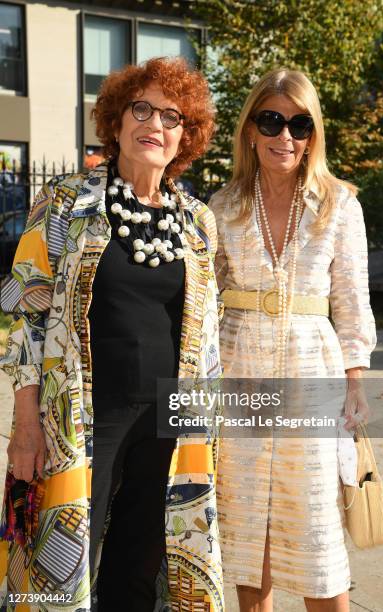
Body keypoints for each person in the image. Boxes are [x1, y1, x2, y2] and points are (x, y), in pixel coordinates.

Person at [0, 57, 224, 611]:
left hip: (171, 423)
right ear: (117, 121)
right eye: (141, 108)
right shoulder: (66, 201)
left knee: (141, 566)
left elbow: (208, 338)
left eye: (172, 116)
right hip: (78, 416)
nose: (155, 124)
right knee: (58, 568)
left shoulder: (197, 221)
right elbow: (21, 311)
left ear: (184, 137)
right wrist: (24, 423)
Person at [210, 68, 376, 612]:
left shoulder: (339, 205)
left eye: (299, 124)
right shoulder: (223, 206)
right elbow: (204, 302)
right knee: (246, 532)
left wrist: (355, 385)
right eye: (272, 121)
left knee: (315, 534)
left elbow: (352, 303)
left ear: (313, 135)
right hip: (238, 368)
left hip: (312, 370)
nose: (286, 136)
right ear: (251, 130)